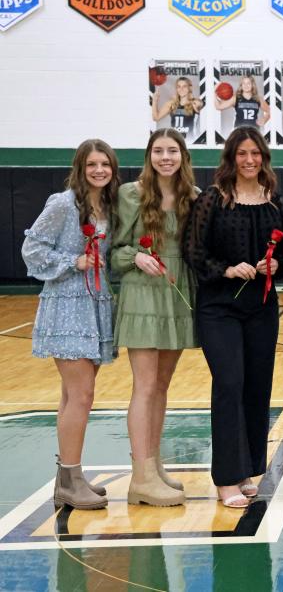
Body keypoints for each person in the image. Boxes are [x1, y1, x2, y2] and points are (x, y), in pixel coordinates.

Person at [183, 127, 283, 509]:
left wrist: (275, 264)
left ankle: (247, 469)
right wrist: (228, 270)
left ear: (263, 157)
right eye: (242, 154)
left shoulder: (274, 200)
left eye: (255, 154)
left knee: (256, 386)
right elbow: (194, 252)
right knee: (229, 383)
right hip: (219, 307)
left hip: (261, 307)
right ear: (232, 158)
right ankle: (226, 478)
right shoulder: (213, 199)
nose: (249, 160)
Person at [22, 139, 120, 510]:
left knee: (73, 395)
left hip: (95, 306)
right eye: (92, 164)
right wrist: (73, 262)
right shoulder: (63, 203)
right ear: (80, 167)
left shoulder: (106, 205)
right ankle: (70, 477)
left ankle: (70, 476)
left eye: (105, 164)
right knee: (81, 395)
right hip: (67, 306)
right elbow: (31, 250)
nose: (99, 170)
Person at [112, 128, 199, 507]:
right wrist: (136, 256)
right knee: (144, 387)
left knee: (162, 386)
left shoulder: (193, 198)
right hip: (143, 294)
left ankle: (154, 464)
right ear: (149, 155)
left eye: (173, 151)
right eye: (159, 151)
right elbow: (114, 253)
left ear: (183, 156)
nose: (166, 157)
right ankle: (140, 476)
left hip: (177, 293)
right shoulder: (130, 194)